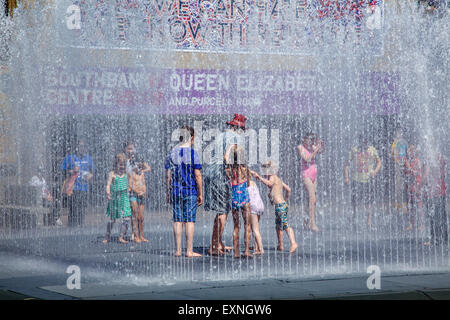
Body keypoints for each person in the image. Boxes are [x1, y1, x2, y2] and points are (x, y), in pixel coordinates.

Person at [204, 114, 247, 256]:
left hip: (211, 172)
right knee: (223, 211)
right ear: (238, 127)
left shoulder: (221, 135)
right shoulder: (236, 137)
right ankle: (214, 245)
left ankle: (218, 242)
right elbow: (228, 158)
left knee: (222, 209)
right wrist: (234, 175)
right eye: (243, 129)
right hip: (220, 174)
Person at [165, 125, 203, 258]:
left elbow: (168, 176)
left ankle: (178, 250)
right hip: (190, 191)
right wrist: (200, 193)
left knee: (177, 220)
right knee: (189, 220)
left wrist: (168, 192)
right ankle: (189, 251)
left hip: (176, 191)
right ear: (191, 138)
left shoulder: (172, 153)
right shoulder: (193, 154)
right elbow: (197, 175)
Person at [254, 161, 298, 253]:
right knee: (278, 226)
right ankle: (280, 245)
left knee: (285, 225)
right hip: (281, 205)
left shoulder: (272, 177)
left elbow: (270, 184)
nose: (264, 173)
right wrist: (285, 200)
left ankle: (293, 243)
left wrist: (259, 178)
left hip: (280, 206)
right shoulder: (278, 179)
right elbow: (288, 189)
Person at [345, 134, 381, 229]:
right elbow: (347, 164)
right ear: (360, 141)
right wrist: (346, 177)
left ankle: (368, 222)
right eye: (362, 141)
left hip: (368, 179)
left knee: (368, 202)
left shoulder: (372, 150)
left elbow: (379, 162)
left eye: (365, 141)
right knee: (354, 202)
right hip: (356, 179)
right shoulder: (354, 150)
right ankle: (353, 220)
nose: (364, 143)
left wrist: (375, 171)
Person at [224, 145, 253, 258]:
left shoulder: (229, 169)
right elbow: (249, 184)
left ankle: (236, 251)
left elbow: (225, 157)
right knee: (247, 225)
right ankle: (246, 250)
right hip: (245, 198)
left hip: (234, 198)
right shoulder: (245, 168)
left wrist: (230, 147)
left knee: (236, 225)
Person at [61, 140, 94, 227]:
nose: (82, 148)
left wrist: (89, 176)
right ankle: (71, 225)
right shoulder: (70, 157)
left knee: (82, 208)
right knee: (73, 208)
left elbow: (93, 172)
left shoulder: (88, 158)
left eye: (83, 147)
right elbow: (62, 171)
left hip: (84, 187)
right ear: (76, 148)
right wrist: (71, 171)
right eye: (80, 146)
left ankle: (80, 225)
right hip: (73, 188)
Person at [297, 132, 324, 232]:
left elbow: (321, 152)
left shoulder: (311, 147)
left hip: (314, 174)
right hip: (306, 174)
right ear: (304, 139)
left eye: (311, 139)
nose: (309, 141)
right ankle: (312, 224)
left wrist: (320, 146)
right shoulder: (300, 147)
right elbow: (307, 159)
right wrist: (316, 149)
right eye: (308, 139)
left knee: (312, 200)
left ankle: (306, 221)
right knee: (312, 199)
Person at [103, 153, 132, 244]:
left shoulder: (126, 173)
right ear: (116, 164)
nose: (122, 166)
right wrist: (108, 192)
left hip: (124, 198)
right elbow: (108, 184)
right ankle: (107, 236)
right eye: (120, 164)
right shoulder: (112, 174)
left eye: (123, 164)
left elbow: (131, 182)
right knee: (112, 219)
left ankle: (121, 236)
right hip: (114, 199)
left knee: (127, 218)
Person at [422, 144, 448, 246]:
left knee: (433, 216)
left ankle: (434, 239)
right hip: (441, 190)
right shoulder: (441, 157)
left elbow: (427, 173)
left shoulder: (430, 157)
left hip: (432, 192)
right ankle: (445, 237)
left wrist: (421, 184)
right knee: (442, 215)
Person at [129, 159, 151, 243]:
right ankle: (136, 236)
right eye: (137, 166)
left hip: (141, 196)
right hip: (133, 196)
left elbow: (143, 183)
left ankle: (141, 235)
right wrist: (138, 192)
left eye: (140, 166)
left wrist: (144, 192)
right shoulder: (131, 173)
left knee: (141, 218)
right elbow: (130, 185)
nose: (139, 167)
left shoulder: (142, 173)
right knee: (135, 217)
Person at [404, 143, 424, 232]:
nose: (409, 153)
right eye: (408, 151)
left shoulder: (417, 161)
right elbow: (409, 170)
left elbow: (418, 171)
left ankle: (422, 224)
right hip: (409, 185)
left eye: (411, 151)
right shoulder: (406, 161)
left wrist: (413, 171)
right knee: (410, 205)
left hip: (416, 184)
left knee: (419, 205)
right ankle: (411, 224)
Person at [247, 170, 265, 255]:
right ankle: (256, 247)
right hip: (260, 205)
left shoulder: (245, 184)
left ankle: (261, 249)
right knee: (255, 226)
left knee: (255, 229)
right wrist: (252, 172)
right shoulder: (253, 182)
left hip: (253, 206)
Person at [391, 128, 408, 214]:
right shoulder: (395, 143)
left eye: (400, 133)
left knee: (404, 185)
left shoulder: (404, 142)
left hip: (405, 164)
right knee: (398, 185)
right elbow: (393, 154)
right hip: (398, 165)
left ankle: (404, 205)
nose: (399, 135)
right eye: (397, 133)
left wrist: (406, 163)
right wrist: (398, 162)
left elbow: (407, 152)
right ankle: (399, 205)